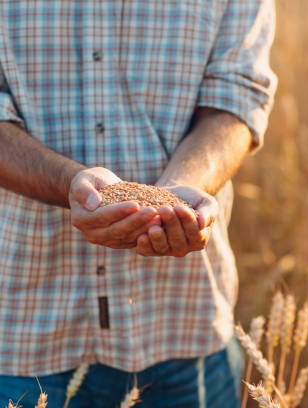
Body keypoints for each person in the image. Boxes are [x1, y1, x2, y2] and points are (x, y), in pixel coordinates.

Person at [0, 0, 276, 406]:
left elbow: (238, 95)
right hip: (24, 329)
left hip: (182, 318)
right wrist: (67, 183)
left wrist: (180, 189)